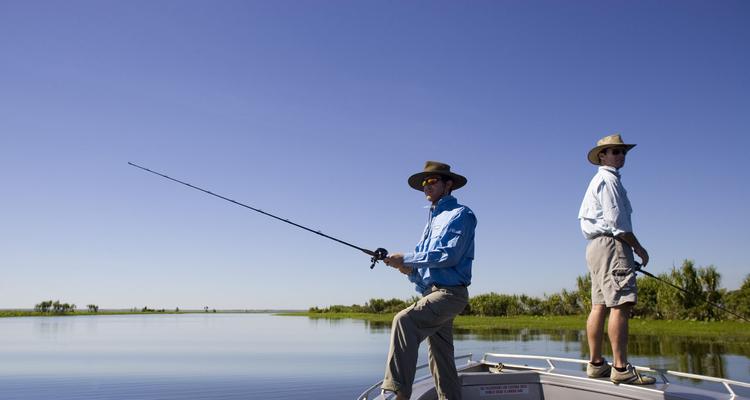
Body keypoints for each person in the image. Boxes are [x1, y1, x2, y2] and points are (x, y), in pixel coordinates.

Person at [381, 161, 477, 400]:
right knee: (441, 358)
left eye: (432, 181)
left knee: (404, 321)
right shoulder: (431, 222)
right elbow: (427, 273)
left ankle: (399, 394)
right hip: (432, 293)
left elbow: (449, 255)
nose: (426, 186)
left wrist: (408, 258)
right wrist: (408, 269)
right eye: (424, 183)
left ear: (448, 184)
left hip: (450, 295)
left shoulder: (461, 214)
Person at [578, 134, 656, 385]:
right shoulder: (609, 180)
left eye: (623, 152)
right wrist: (639, 249)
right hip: (612, 243)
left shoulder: (598, 181)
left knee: (599, 305)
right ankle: (620, 368)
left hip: (596, 247)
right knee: (620, 304)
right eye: (615, 151)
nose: (621, 155)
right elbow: (618, 224)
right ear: (602, 155)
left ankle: (596, 364)